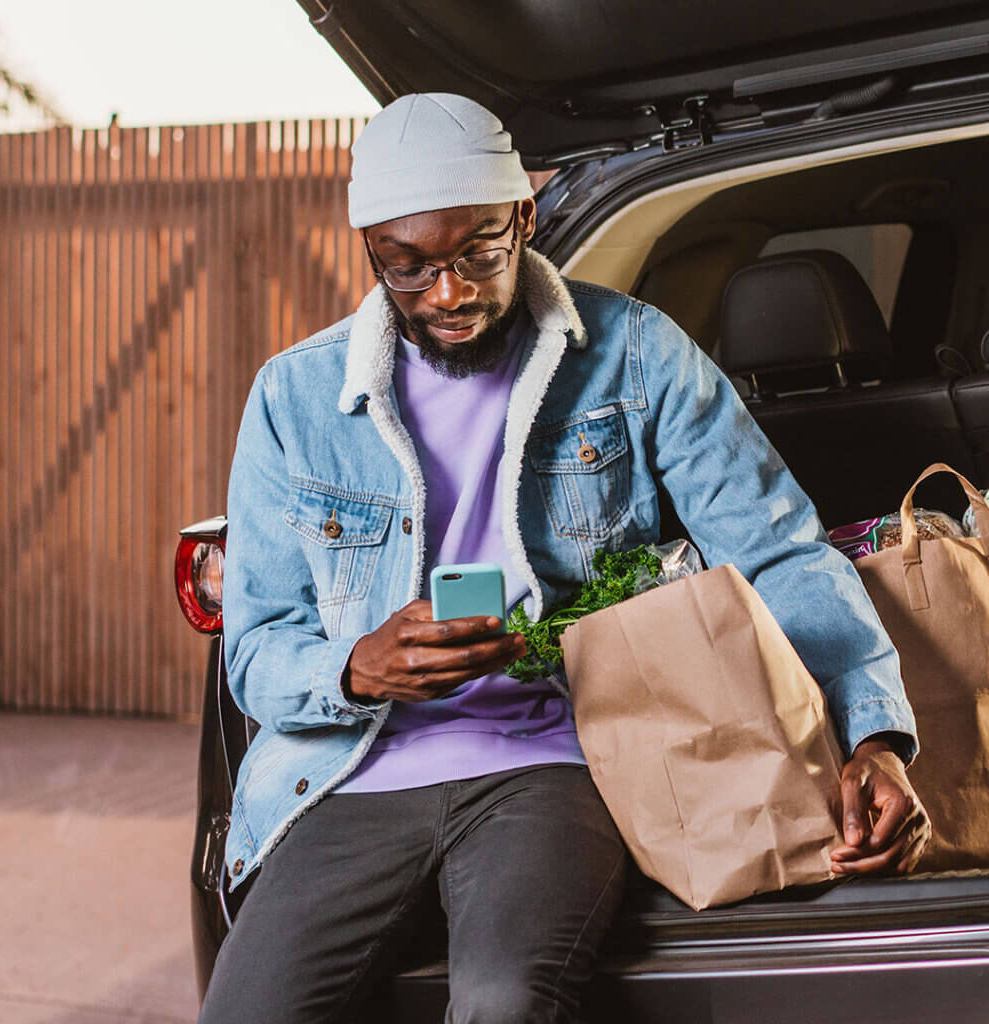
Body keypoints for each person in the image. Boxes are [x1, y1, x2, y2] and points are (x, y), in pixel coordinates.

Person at [198, 93, 930, 1023]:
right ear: (370, 251)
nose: (449, 293)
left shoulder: (636, 353)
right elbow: (256, 652)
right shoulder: (292, 397)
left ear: (524, 219)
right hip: (353, 768)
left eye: (478, 254)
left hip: (557, 756)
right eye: (409, 267)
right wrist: (357, 664)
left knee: (506, 1001)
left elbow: (777, 550)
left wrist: (873, 733)